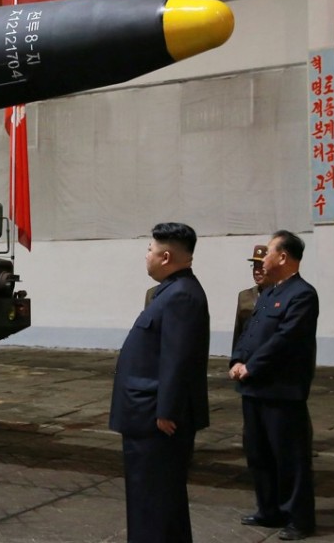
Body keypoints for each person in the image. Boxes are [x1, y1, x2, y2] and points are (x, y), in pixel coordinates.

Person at [110, 222, 210, 543]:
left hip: (156, 420)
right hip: (148, 415)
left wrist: (168, 410)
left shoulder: (181, 296)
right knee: (156, 502)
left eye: (150, 250)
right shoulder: (171, 291)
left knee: (153, 503)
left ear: (166, 257)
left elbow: (177, 358)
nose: (147, 256)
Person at [230, 230, 319, 541]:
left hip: (281, 391)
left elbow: (285, 340)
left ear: (283, 257)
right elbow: (251, 332)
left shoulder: (302, 294)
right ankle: (269, 510)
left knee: (290, 458)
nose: (262, 259)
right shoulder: (267, 293)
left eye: (267, 252)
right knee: (259, 454)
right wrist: (237, 359)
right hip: (254, 388)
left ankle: (300, 519)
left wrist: (251, 366)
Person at [233, 245, 269, 349]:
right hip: (246, 356)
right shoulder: (244, 296)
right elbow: (238, 330)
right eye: (255, 266)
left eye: (261, 267)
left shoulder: (279, 295)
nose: (257, 271)